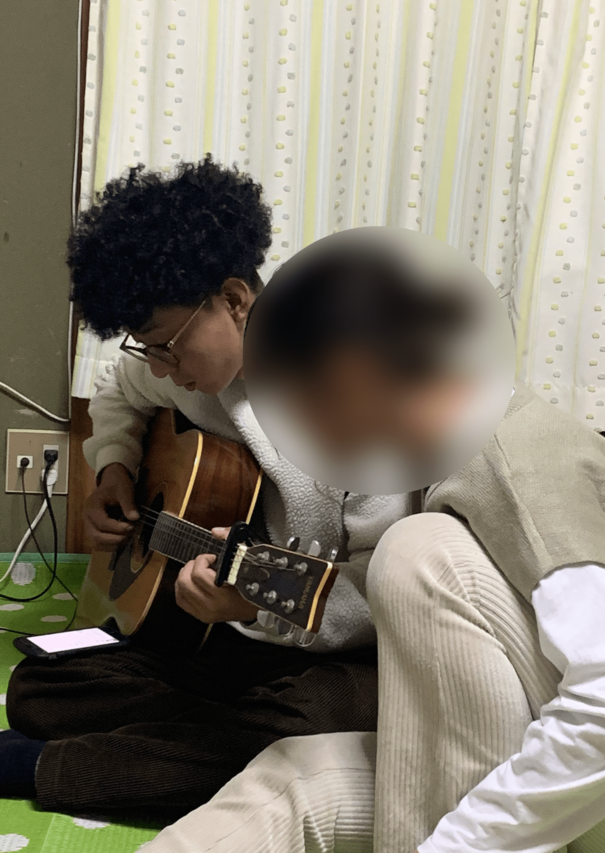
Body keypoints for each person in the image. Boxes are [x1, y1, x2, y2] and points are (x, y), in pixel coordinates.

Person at [145, 227, 605, 853]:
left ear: (353, 371)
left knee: (418, 551)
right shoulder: (442, 459)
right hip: (542, 735)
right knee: (289, 777)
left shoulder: (516, 459)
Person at [0, 163, 413, 824]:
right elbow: (118, 391)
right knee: (39, 686)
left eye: (168, 346)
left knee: (297, 724)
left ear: (235, 299)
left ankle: (51, 766)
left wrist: (253, 602)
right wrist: (113, 467)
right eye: (148, 350)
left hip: (351, 654)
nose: (163, 370)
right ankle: (201, 745)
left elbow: (380, 594)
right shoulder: (189, 374)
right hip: (242, 642)